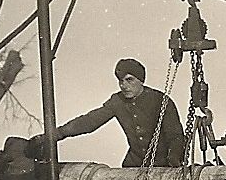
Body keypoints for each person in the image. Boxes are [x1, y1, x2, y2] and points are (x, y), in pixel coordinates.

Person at [36, 58, 185, 169]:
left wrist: (174, 157)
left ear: (141, 81)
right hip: (133, 165)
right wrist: (58, 134)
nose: (123, 85)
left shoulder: (160, 100)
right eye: (121, 81)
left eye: (129, 80)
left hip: (162, 165)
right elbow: (91, 121)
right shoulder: (117, 101)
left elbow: (175, 135)